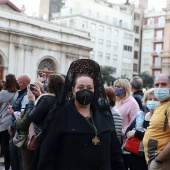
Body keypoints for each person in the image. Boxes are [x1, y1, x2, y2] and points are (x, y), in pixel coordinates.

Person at [36, 59, 125, 170]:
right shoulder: (59, 115)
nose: (85, 91)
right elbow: (47, 156)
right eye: (80, 87)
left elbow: (115, 155)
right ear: (73, 90)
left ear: (95, 90)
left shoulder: (104, 116)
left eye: (89, 88)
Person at [125, 88, 160, 170]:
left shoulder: (161, 118)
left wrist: (136, 133)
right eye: (150, 99)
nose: (152, 101)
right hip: (136, 155)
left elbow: (154, 137)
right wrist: (136, 133)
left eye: (155, 99)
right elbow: (128, 131)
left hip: (151, 157)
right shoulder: (141, 115)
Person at [14, 81, 45, 170]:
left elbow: (22, 123)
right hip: (37, 140)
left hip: (30, 141)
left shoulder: (34, 104)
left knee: (27, 165)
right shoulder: (44, 102)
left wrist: (17, 120)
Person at [143, 74, 170, 170]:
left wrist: (158, 160)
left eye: (164, 84)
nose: (159, 88)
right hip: (153, 158)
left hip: (162, 161)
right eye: (157, 85)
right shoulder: (161, 105)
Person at [114, 79, 139, 170]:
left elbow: (134, 122)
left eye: (118, 87)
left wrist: (122, 131)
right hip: (115, 140)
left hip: (126, 143)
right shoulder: (116, 101)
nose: (115, 88)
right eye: (115, 86)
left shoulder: (133, 103)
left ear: (124, 89)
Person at [8, 74, 31, 170]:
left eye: (18, 81)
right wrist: (10, 125)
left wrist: (13, 112)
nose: (17, 82)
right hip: (15, 129)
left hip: (20, 133)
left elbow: (23, 115)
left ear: (21, 83)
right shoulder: (21, 93)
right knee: (14, 158)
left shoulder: (26, 96)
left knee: (18, 159)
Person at [0, 74, 18, 170]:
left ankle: (6, 167)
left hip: (3, 122)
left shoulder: (3, 93)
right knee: (10, 145)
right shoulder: (17, 93)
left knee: (5, 145)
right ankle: (10, 166)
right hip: (12, 121)